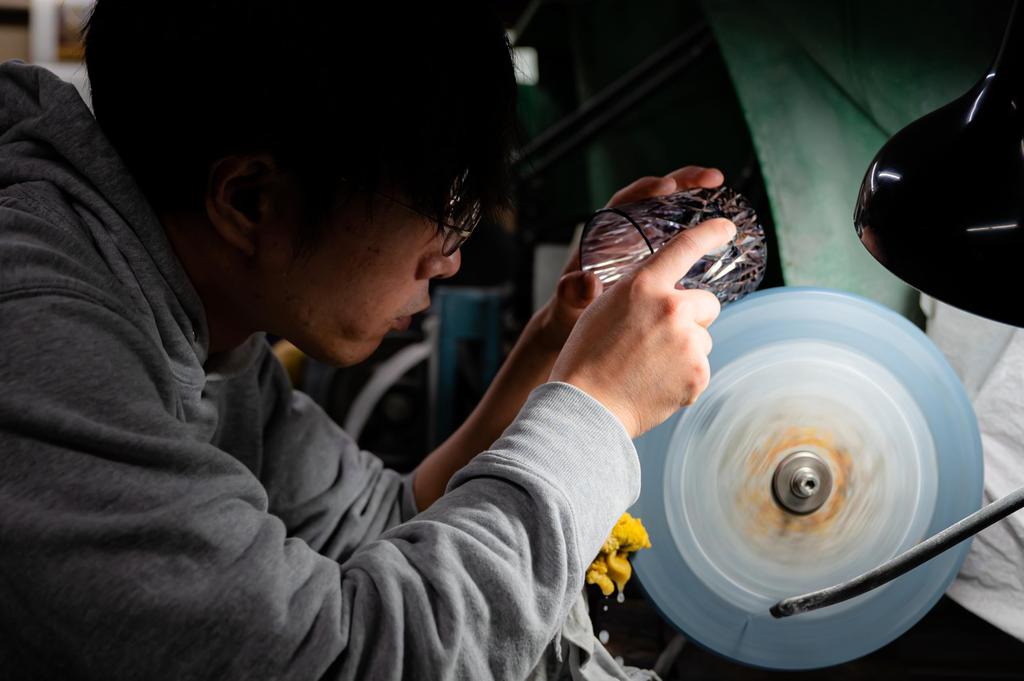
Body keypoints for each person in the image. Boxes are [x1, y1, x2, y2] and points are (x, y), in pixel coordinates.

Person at [0, 2, 733, 679]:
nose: (449, 257)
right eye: (444, 207)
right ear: (251, 199)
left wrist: (558, 341)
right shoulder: (41, 341)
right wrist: (595, 410)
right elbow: (346, 660)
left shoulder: (202, 323)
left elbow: (384, 523)